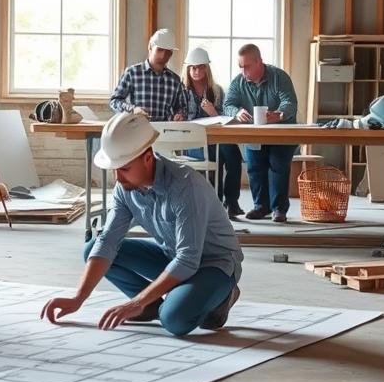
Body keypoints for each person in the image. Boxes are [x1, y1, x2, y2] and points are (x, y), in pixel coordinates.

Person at [40, 112, 243, 336]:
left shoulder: (186, 187)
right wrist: (78, 298)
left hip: (214, 265)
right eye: (114, 169)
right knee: (92, 248)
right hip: (173, 257)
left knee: (175, 320)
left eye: (124, 168)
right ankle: (152, 306)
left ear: (147, 158)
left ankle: (222, 297)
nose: (118, 177)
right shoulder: (124, 190)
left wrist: (134, 301)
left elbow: (188, 259)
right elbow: (107, 242)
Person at [223, 43, 299, 223]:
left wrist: (279, 114)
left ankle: (279, 209)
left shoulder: (279, 77)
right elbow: (227, 105)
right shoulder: (238, 82)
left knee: (278, 164)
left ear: (259, 62)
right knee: (254, 166)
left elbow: (290, 103)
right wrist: (237, 112)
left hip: (281, 130)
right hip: (254, 133)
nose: (243, 72)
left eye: (247, 67)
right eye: (241, 67)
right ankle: (260, 207)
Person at [179, 46, 245, 219]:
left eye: (201, 67)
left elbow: (224, 118)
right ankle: (214, 203)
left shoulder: (217, 91)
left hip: (217, 136)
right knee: (212, 157)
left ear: (207, 68)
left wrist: (213, 113)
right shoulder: (182, 91)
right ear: (188, 69)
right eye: (193, 67)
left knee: (233, 155)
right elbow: (181, 116)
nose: (196, 71)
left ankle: (231, 202)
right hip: (194, 139)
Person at [108, 28, 184, 122]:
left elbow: (180, 107)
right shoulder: (132, 73)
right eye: (160, 50)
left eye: (168, 51)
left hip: (165, 133)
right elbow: (114, 101)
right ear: (150, 47)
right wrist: (133, 110)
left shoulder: (174, 80)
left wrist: (179, 115)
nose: (163, 55)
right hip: (137, 131)